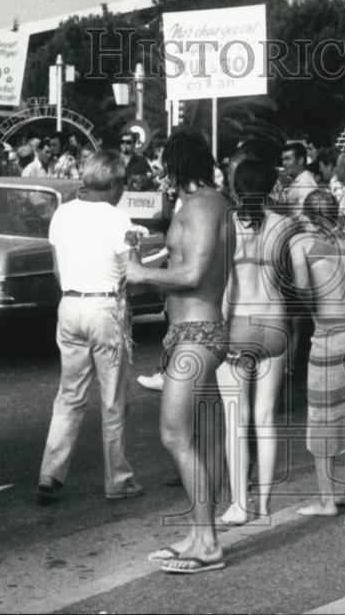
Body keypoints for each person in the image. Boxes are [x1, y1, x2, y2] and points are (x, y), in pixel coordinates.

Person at [132, 129, 230, 575]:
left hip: (198, 333)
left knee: (174, 434)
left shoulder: (202, 206)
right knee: (202, 440)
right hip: (190, 332)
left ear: (175, 165)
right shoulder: (207, 204)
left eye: (163, 165)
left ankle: (207, 542)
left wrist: (139, 273)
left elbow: (192, 273)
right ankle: (199, 532)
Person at [37, 150, 144, 506]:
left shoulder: (63, 214)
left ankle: (50, 472)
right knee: (112, 399)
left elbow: (56, 269)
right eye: (122, 182)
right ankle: (118, 479)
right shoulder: (119, 219)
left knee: (69, 395)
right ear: (114, 183)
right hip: (106, 307)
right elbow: (133, 272)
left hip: (69, 305)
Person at [217, 159, 294, 526]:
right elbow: (292, 282)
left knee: (238, 418)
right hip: (276, 323)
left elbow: (226, 286)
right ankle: (263, 505)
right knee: (266, 418)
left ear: (236, 186)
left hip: (240, 323)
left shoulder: (228, 224)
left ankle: (238, 503)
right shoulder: (284, 224)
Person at [290, 189, 345, 516]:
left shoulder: (302, 243)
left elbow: (301, 286)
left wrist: (314, 312)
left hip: (332, 333)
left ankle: (326, 500)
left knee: (322, 420)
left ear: (308, 216)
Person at [274, 142, 318, 214]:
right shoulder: (298, 179)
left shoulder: (305, 184)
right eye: (283, 160)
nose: (284, 163)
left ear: (300, 160)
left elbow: (307, 216)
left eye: (288, 159)